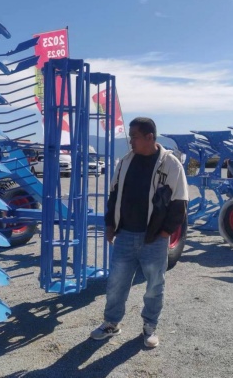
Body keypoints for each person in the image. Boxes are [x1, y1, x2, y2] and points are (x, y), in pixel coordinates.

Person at [90, 117, 189, 348]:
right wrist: (110, 224)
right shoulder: (125, 162)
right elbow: (114, 195)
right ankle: (111, 323)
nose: (131, 141)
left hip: (154, 239)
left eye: (134, 136)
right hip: (125, 235)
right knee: (116, 284)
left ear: (149, 137)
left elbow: (180, 203)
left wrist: (165, 232)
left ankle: (150, 327)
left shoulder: (170, 165)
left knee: (154, 286)